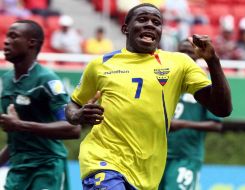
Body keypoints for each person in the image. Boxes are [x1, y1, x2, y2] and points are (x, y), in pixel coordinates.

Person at [65, 3, 232, 190]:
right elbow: (73, 104)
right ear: (125, 28)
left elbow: (222, 109)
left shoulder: (179, 63)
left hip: (147, 173)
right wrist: (76, 116)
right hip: (102, 160)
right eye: (142, 19)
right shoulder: (100, 65)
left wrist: (213, 61)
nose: (150, 25)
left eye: (156, 22)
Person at [0, 19, 81, 190]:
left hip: (47, 167)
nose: (6, 41)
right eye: (6, 36)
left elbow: (73, 128)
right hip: (18, 170)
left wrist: (20, 125)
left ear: (31, 43)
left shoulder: (47, 80)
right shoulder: (6, 81)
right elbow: (17, 137)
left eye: (13, 36)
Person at [159, 39, 223, 190]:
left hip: (186, 156)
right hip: (157, 154)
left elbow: (216, 124)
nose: (186, 55)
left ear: (197, 55)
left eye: (189, 52)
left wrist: (181, 124)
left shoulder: (203, 83)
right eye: (182, 51)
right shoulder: (163, 81)